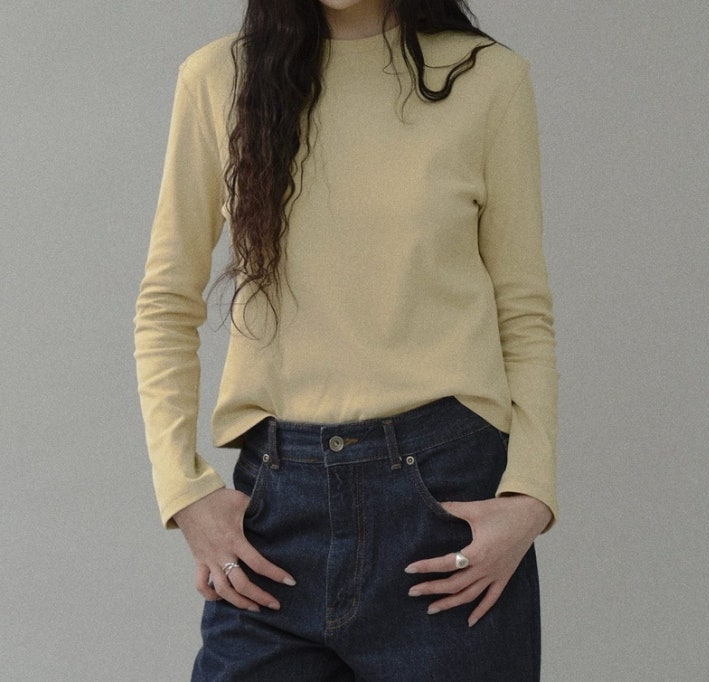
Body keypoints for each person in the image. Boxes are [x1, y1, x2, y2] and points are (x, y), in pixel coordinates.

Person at [134, 0, 558, 679]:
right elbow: (165, 303)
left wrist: (529, 497)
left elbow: (522, 311)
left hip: (442, 508)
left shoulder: (487, 80)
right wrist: (182, 492)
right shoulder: (218, 79)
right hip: (276, 513)